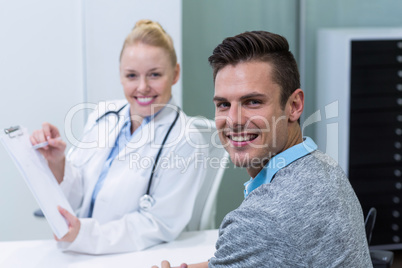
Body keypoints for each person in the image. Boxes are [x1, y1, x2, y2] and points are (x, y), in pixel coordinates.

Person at [154, 31, 372, 267]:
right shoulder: (324, 167)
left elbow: (262, 238)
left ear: (294, 106)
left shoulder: (261, 220)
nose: (234, 120)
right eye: (224, 104)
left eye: (253, 102)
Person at [30, 19, 207, 255]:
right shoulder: (103, 115)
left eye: (154, 75)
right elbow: (78, 193)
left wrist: (86, 235)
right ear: (121, 76)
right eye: (132, 76)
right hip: (76, 253)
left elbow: (159, 224)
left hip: (131, 258)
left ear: (175, 73)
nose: (142, 87)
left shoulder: (186, 140)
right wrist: (58, 163)